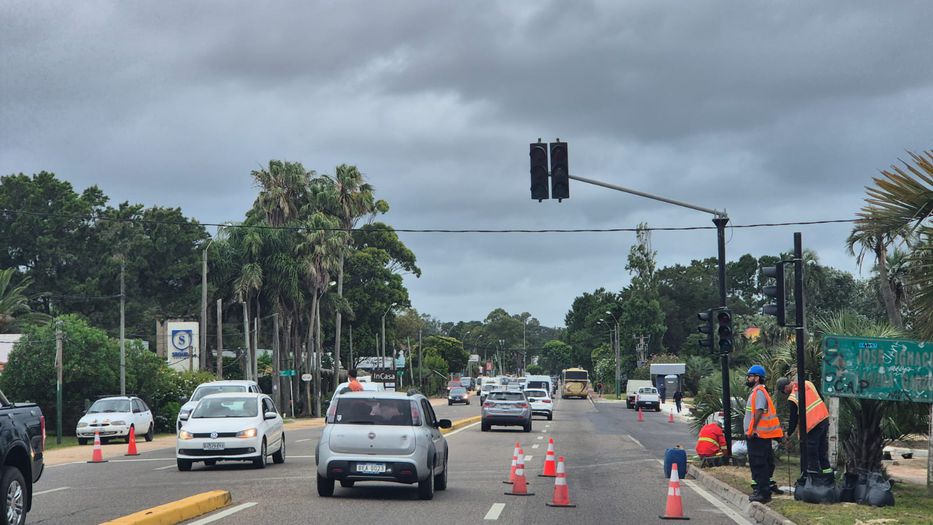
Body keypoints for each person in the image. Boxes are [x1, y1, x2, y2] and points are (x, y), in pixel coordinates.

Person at [775, 377, 832, 476]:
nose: (785, 393)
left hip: (813, 425)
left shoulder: (793, 396)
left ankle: (814, 478)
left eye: (784, 391)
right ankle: (828, 476)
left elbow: (793, 419)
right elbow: (821, 398)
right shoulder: (807, 383)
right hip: (823, 419)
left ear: (785, 387)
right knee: (822, 450)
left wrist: (788, 433)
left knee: (811, 452)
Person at [744, 364, 784, 503]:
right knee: (762, 464)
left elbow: (759, 411)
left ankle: (763, 493)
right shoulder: (758, 391)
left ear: (756, 378)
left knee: (759, 464)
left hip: (758, 436)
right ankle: (762, 491)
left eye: (749, 376)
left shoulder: (759, 392)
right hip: (760, 436)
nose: (747, 378)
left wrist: (752, 429)